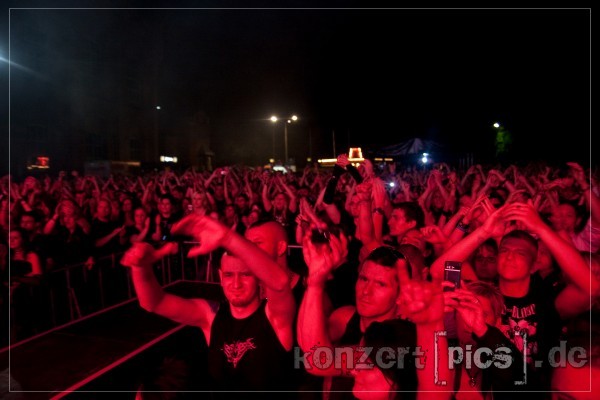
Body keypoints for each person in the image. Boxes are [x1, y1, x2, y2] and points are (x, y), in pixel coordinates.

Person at [430, 199, 599, 391]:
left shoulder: (546, 301)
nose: (510, 256)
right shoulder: (485, 295)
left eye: (520, 253)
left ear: (534, 264)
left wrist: (541, 228)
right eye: (504, 251)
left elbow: (590, 287)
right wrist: (484, 232)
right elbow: (438, 271)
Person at [121, 213, 297, 395]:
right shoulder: (211, 315)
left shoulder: (275, 318)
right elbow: (154, 302)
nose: (236, 284)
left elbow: (281, 283)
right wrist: (140, 268)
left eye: (245, 275)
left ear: (259, 278)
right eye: (229, 275)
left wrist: (227, 237)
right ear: (220, 277)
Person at [297, 241, 450, 399]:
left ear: (399, 296)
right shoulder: (345, 316)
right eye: (363, 279)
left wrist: (315, 285)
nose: (366, 291)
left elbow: (317, 360)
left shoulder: (400, 341)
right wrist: (315, 280)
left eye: (380, 284)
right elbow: (306, 342)